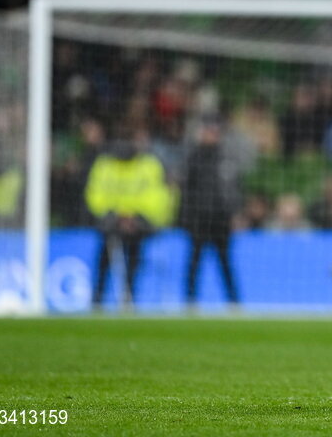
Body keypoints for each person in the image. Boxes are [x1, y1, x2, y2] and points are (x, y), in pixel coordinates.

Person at [85, 129, 174, 309]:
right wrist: (117, 216)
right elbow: (94, 195)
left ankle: (128, 294)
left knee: (134, 251)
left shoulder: (150, 165)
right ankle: (98, 298)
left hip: (139, 222)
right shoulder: (105, 165)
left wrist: (136, 217)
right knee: (106, 253)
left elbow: (158, 197)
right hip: (112, 220)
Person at [180, 115, 240, 308]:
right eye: (208, 131)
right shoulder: (193, 158)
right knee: (194, 261)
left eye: (214, 131)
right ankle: (190, 301)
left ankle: (233, 301)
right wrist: (186, 218)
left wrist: (234, 214)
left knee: (225, 262)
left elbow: (235, 188)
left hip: (220, 219)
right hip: (199, 219)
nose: (211, 135)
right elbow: (186, 191)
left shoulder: (226, 157)